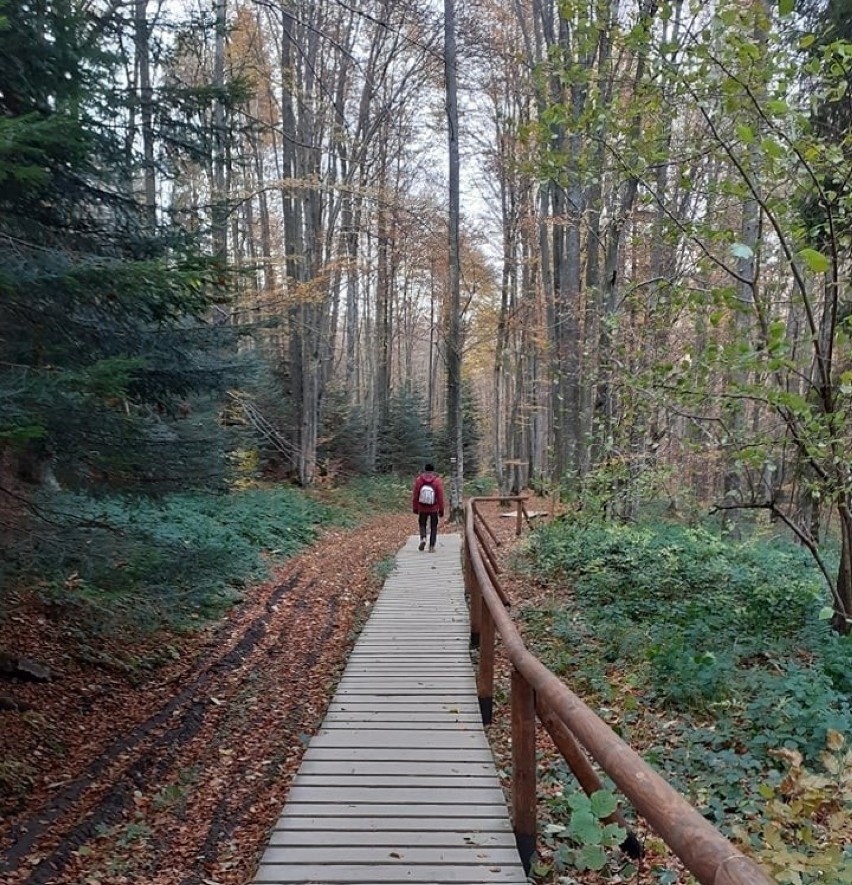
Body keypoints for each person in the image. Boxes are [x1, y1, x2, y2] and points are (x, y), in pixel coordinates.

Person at [412, 462, 444, 552]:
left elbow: (415, 495)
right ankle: (432, 546)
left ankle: (423, 538)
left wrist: (415, 507)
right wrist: (441, 509)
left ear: (425, 470)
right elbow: (440, 496)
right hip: (434, 508)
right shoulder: (437, 481)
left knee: (422, 524)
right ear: (433, 470)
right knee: (434, 526)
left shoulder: (419, 480)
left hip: (422, 507)